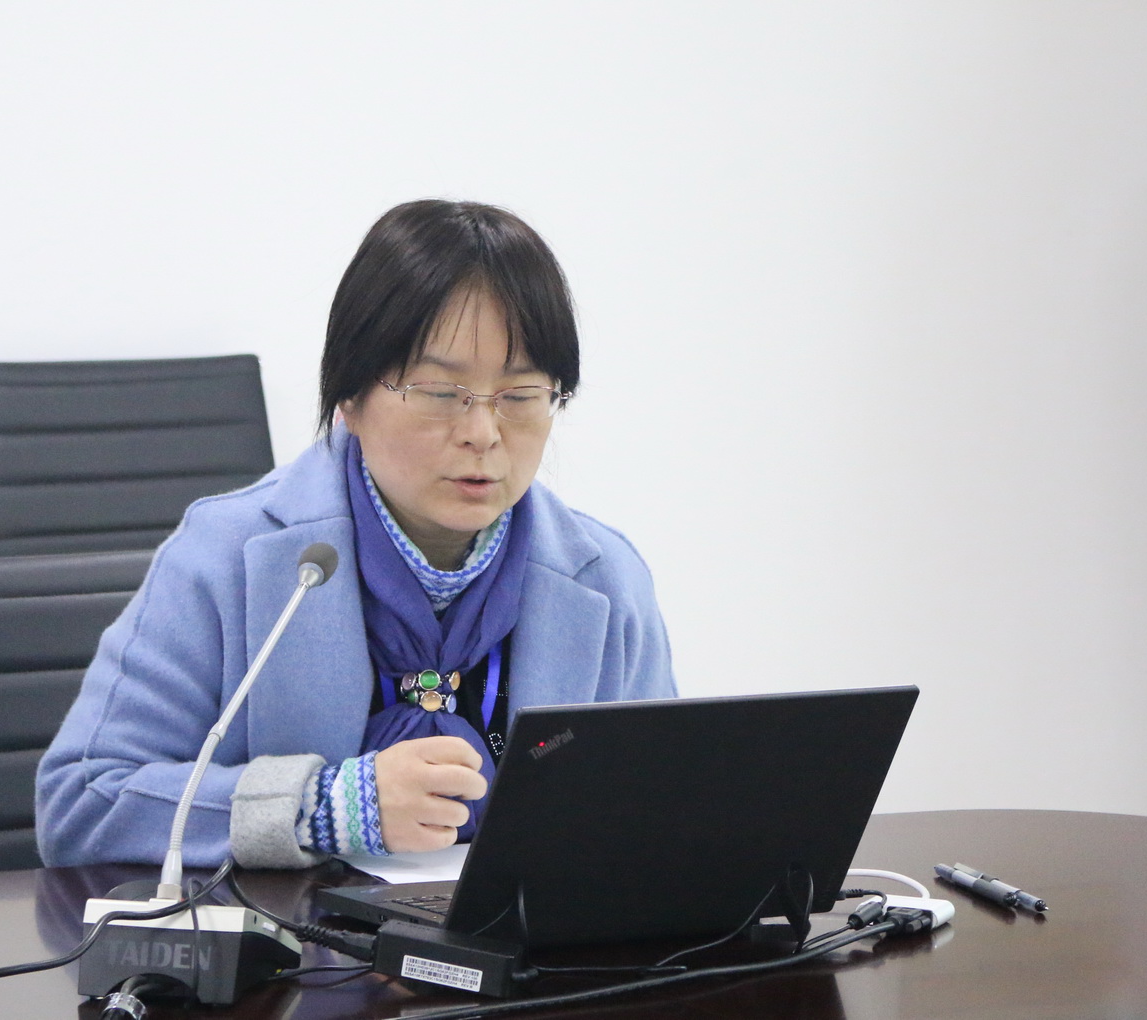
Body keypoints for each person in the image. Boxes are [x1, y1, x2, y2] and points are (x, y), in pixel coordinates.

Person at [36, 199, 675, 869]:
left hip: (522, 933)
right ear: (350, 394)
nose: (483, 433)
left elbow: (663, 807)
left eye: (520, 397)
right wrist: (321, 808)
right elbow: (81, 802)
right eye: (440, 392)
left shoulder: (605, 578)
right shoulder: (223, 556)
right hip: (293, 934)